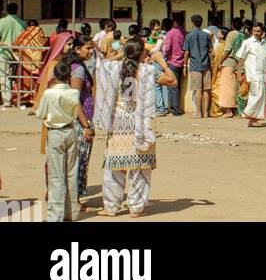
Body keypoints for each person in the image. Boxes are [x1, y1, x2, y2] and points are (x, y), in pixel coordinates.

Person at [95, 38, 176, 218]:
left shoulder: (115, 68)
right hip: (142, 124)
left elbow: (126, 93)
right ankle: (136, 207)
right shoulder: (148, 71)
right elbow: (172, 81)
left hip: (120, 124)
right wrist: (161, 61)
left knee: (115, 169)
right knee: (140, 168)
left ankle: (111, 207)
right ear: (141, 54)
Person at [36, 57, 93, 223]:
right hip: (70, 131)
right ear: (69, 76)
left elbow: (40, 113)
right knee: (70, 174)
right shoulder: (74, 93)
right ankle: (71, 213)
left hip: (55, 133)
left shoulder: (49, 93)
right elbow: (76, 111)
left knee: (56, 176)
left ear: (54, 76)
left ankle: (55, 216)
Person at [68, 33, 96, 206]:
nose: (91, 52)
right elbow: (74, 97)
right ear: (77, 49)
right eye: (88, 48)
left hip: (80, 118)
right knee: (79, 161)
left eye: (92, 48)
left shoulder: (77, 66)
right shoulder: (77, 69)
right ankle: (74, 200)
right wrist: (85, 124)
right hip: (80, 119)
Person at [236, 22, 266, 127]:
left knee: (261, 96)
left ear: (262, 32)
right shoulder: (247, 42)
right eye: (254, 31)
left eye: (258, 31)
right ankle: (248, 113)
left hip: (263, 73)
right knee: (256, 94)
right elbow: (241, 58)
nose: (255, 33)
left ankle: (253, 120)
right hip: (253, 73)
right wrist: (238, 73)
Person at [183, 14, 213, 119]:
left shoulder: (189, 36)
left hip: (195, 65)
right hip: (206, 65)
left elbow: (186, 52)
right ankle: (205, 113)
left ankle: (198, 113)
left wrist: (184, 65)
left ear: (192, 23)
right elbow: (210, 50)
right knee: (206, 90)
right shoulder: (206, 35)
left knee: (198, 90)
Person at [0, 3, 25, 107]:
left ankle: (7, 100)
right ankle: (16, 98)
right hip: (17, 54)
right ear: (17, 10)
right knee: (15, 76)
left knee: (4, 76)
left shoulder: (2, 22)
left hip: (4, 53)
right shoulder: (22, 23)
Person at [160, 16, 186, 116]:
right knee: (178, 86)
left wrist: (162, 58)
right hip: (181, 61)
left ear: (175, 22)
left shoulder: (171, 33)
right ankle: (177, 108)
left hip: (172, 62)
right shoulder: (182, 32)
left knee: (172, 87)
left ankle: (175, 109)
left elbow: (167, 48)